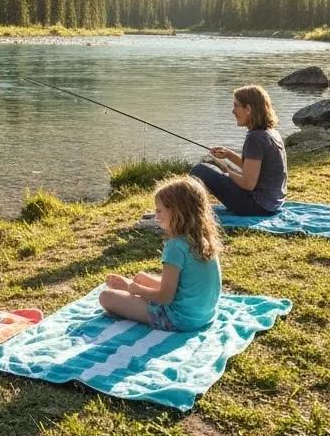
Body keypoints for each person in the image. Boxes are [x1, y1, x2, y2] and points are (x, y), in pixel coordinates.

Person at [101, 175, 222, 331]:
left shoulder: (175, 247)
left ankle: (130, 290)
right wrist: (137, 285)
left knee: (106, 297)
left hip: (180, 319)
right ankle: (132, 287)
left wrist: (134, 289)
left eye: (159, 210)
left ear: (177, 212)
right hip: (204, 315)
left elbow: (165, 297)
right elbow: (183, 284)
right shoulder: (204, 239)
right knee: (140, 277)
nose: (156, 216)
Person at [191, 84, 287, 216]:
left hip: (256, 206)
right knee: (210, 170)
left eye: (236, 105)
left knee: (200, 170)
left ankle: (189, 211)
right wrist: (228, 155)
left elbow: (248, 184)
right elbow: (253, 169)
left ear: (248, 109)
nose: (233, 111)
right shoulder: (271, 132)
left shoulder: (255, 138)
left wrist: (225, 171)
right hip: (272, 203)